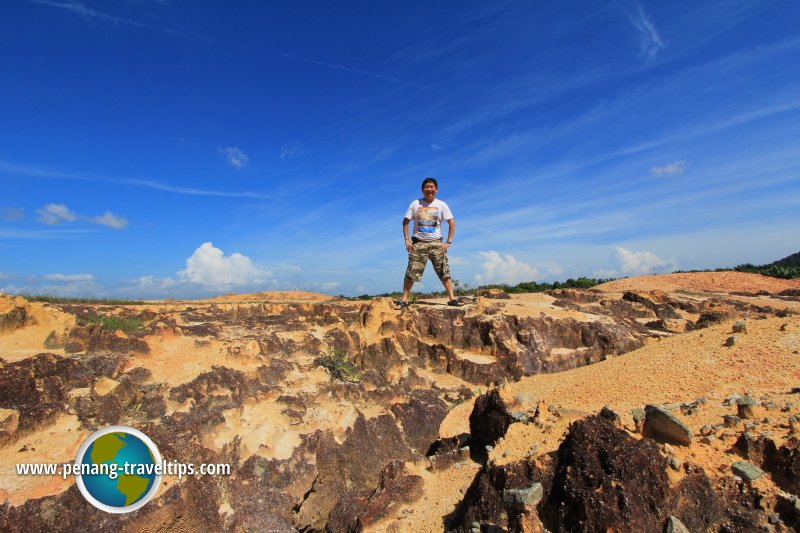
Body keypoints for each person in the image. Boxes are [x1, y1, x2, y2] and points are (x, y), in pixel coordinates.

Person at [395, 177, 463, 309]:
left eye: (432, 187)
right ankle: (404, 300)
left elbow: (452, 222)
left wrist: (449, 242)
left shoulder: (442, 204)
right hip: (418, 243)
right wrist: (407, 240)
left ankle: (452, 298)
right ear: (422, 189)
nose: (429, 189)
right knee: (411, 272)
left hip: (437, 243)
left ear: (436, 189)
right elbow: (405, 222)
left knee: (444, 271)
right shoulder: (415, 204)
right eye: (426, 187)